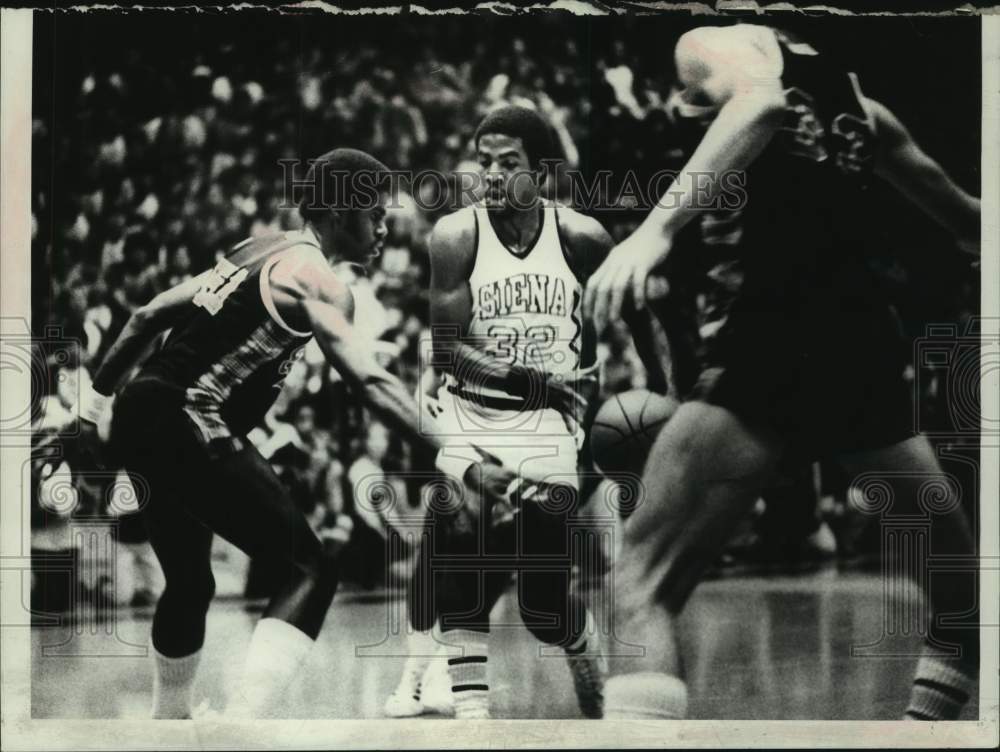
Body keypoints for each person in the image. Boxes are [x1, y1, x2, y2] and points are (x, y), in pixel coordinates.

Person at [584, 24, 981, 720]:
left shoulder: (710, 40)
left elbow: (760, 104)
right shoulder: (857, 102)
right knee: (961, 598)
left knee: (638, 584)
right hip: (861, 345)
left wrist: (656, 229)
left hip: (772, 339)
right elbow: (967, 217)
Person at [77, 148, 518, 720]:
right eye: (375, 216)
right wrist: (459, 457)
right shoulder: (320, 280)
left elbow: (148, 314)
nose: (384, 229)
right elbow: (369, 381)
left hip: (142, 410)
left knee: (189, 583)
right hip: (188, 413)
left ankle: (171, 723)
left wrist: (93, 410)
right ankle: (241, 725)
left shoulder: (259, 247)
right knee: (308, 566)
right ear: (338, 213)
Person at [417, 105, 615, 719]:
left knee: (543, 604)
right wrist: (530, 382)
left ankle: (588, 663)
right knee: (464, 559)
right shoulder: (454, 235)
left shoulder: (583, 238)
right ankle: (472, 721)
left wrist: (589, 423)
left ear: (543, 171)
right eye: (485, 163)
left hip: (550, 426)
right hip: (473, 415)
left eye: (510, 163)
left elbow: (597, 346)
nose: (494, 175)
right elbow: (447, 352)